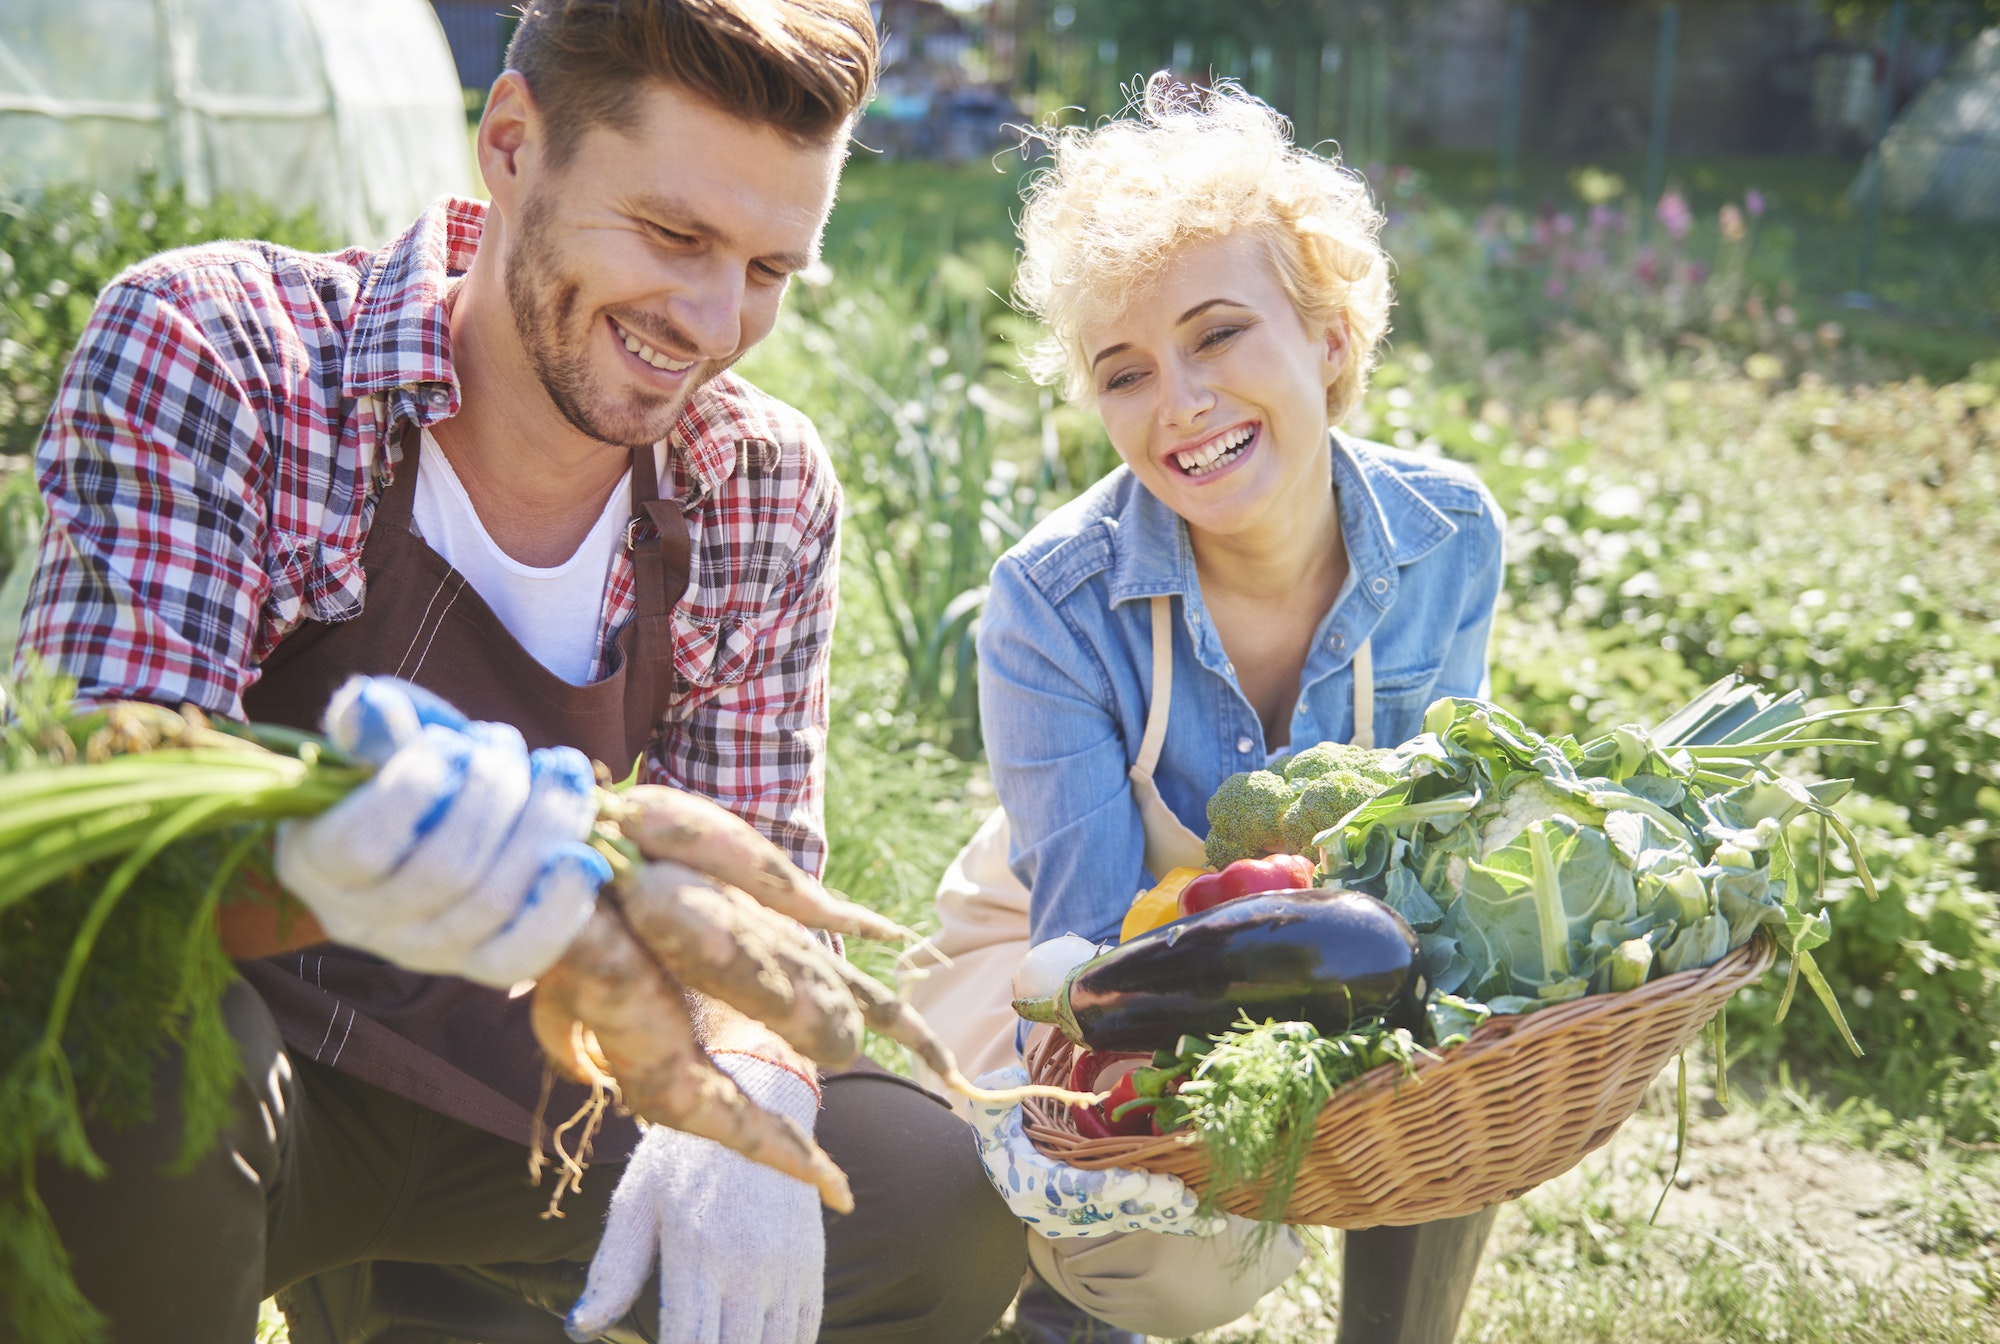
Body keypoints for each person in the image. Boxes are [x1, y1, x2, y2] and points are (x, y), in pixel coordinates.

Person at [11, 3, 1025, 1341]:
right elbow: (96, 889)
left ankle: (454, 1308)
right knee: (107, 1061)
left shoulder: (757, 485)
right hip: (255, 1082)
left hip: (541, 1102)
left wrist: (756, 1092)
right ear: (511, 142)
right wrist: (322, 867)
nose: (714, 320)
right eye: (674, 236)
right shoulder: (225, 353)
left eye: (773, 268)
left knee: (930, 1199)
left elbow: (749, 911)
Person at [903, 78, 1506, 1343]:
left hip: (1326, 960)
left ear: (1330, 337)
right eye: (1125, 372)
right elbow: (1092, 976)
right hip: (1067, 960)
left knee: (1470, 1066)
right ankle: (1072, 1306)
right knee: (1155, 1255)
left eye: (1219, 334)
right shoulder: (1051, 604)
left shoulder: (1447, 536)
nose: (1178, 402)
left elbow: (1432, 859)